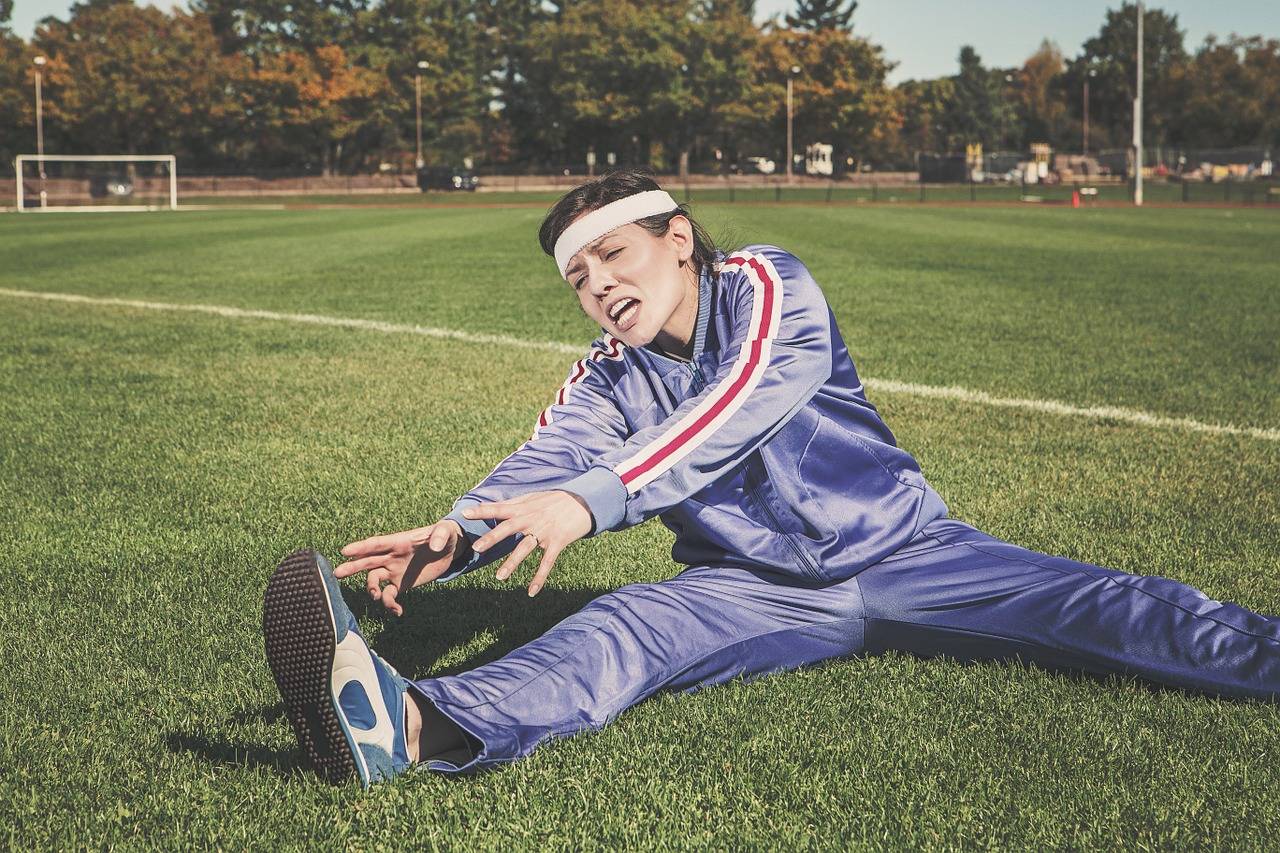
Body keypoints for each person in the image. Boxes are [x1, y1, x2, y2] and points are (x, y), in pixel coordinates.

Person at [262, 170, 1280, 789]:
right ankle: (404, 726)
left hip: (910, 554)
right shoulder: (604, 377)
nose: (599, 287)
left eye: (612, 255)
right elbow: (543, 462)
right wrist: (457, 535)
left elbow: (739, 403)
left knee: (1113, 609)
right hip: (746, 589)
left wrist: (591, 499)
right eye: (577, 278)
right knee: (616, 632)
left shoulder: (765, 285)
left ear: (674, 238)